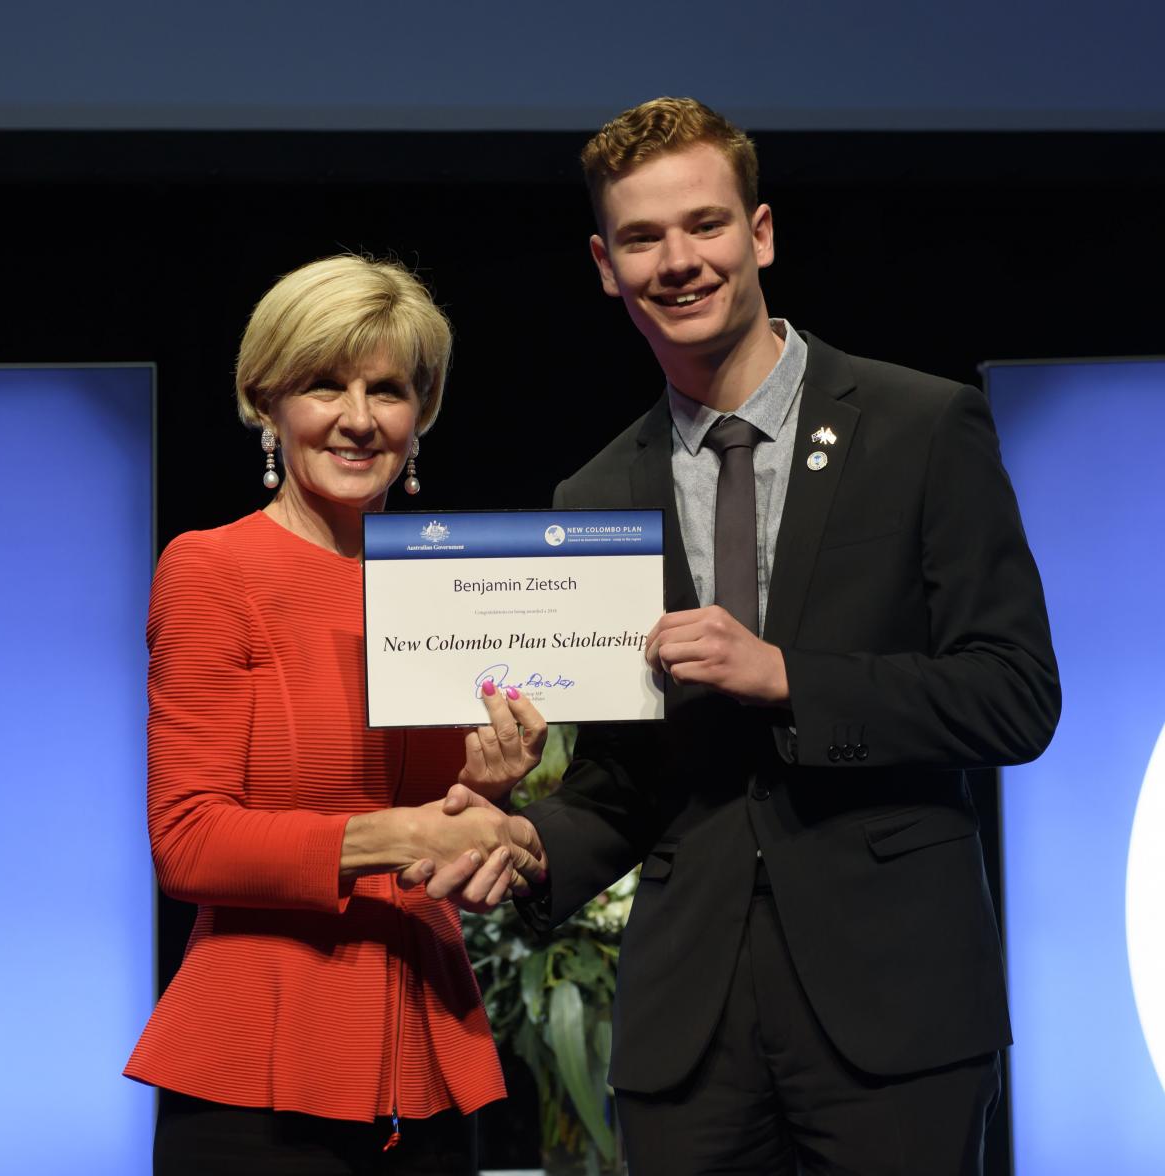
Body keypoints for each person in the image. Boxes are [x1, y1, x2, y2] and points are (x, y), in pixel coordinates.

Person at [435, 99, 1061, 1174]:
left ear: (759, 233)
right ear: (603, 263)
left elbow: (1013, 695)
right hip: (691, 1027)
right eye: (642, 238)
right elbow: (631, 785)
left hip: (896, 1010)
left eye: (706, 225)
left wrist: (787, 678)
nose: (679, 261)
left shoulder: (920, 428)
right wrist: (537, 842)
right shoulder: (594, 494)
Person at [124, 254, 546, 1176]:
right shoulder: (210, 570)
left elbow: (442, 828)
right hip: (257, 1075)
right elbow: (187, 843)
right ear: (266, 400)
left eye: (388, 389)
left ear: (421, 412)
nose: (359, 418)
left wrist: (490, 800)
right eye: (324, 384)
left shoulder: (455, 588)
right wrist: (402, 836)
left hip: (429, 1056)